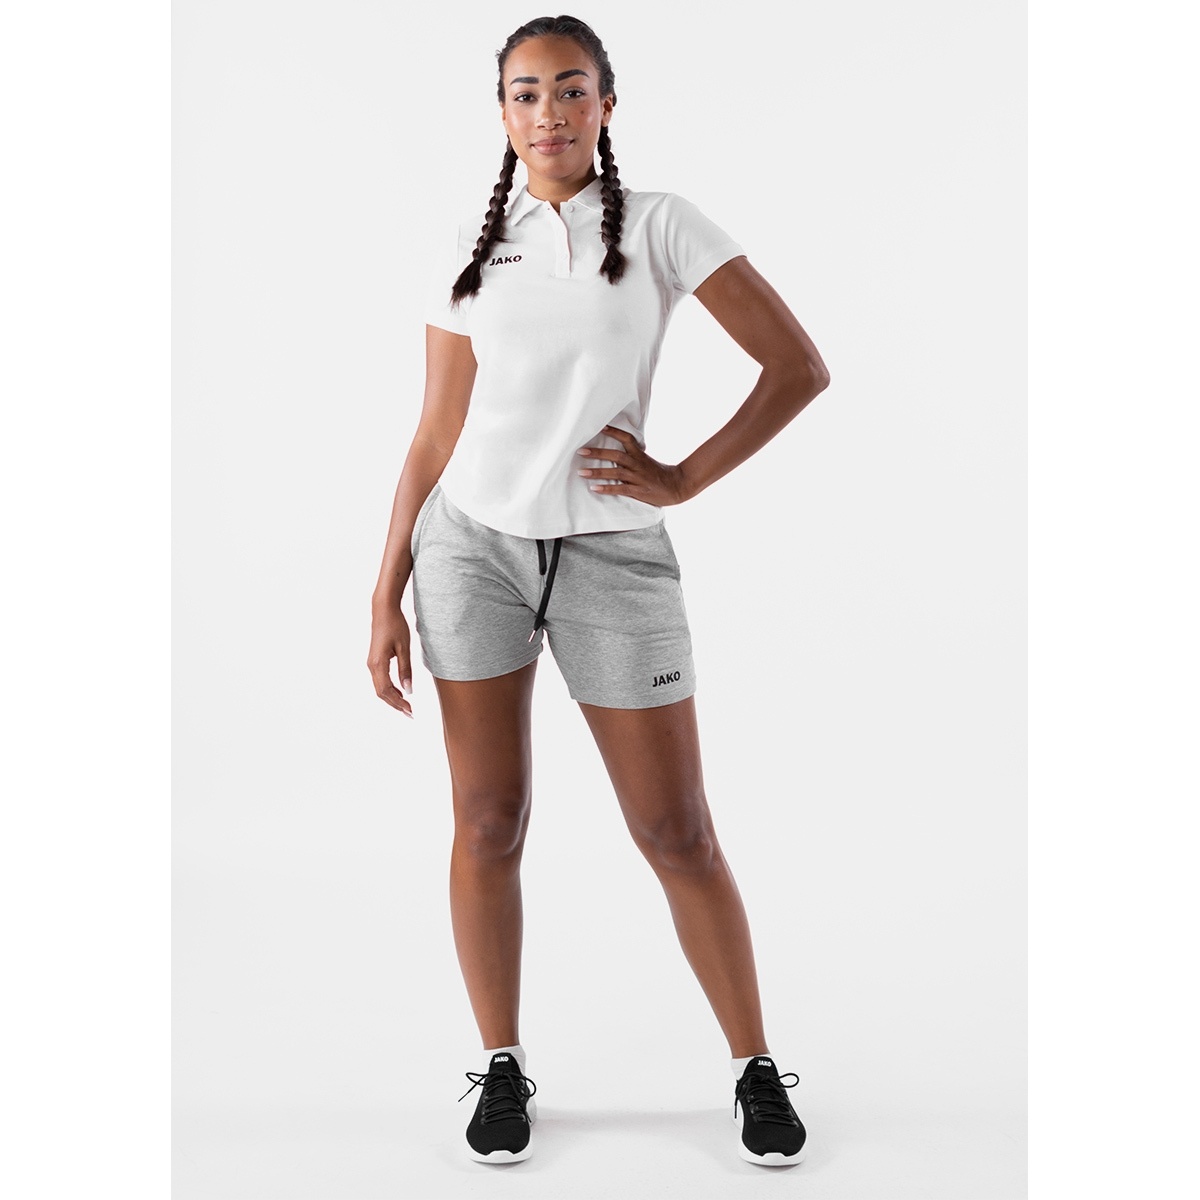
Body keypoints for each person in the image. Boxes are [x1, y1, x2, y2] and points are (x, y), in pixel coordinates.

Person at [368, 14, 830, 1168]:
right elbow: (435, 432)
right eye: (526, 94)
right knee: (488, 821)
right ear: (503, 112)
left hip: (613, 557)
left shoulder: (663, 225)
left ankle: (754, 1066)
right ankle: (502, 1063)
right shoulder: (474, 245)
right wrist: (385, 588)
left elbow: (798, 367)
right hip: (471, 552)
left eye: (571, 89)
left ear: (606, 105)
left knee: (676, 829)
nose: (549, 113)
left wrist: (680, 479)